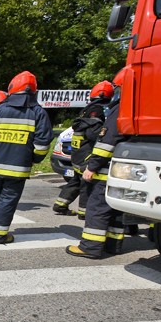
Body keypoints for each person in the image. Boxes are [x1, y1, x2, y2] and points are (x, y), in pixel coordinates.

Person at [0, 71, 53, 244]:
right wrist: (32, 159)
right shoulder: (38, 113)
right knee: (7, 201)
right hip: (18, 169)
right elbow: (42, 145)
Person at [67, 75, 126, 259]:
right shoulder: (133, 107)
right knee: (116, 207)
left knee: (97, 207)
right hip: (123, 168)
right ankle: (113, 244)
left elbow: (106, 142)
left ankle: (90, 246)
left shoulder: (117, 110)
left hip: (106, 167)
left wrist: (91, 166)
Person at [53, 80, 114, 218]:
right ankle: (84, 212)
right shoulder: (99, 110)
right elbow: (94, 133)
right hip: (86, 153)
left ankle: (61, 204)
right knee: (87, 182)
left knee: (76, 180)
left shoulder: (87, 108)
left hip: (78, 153)